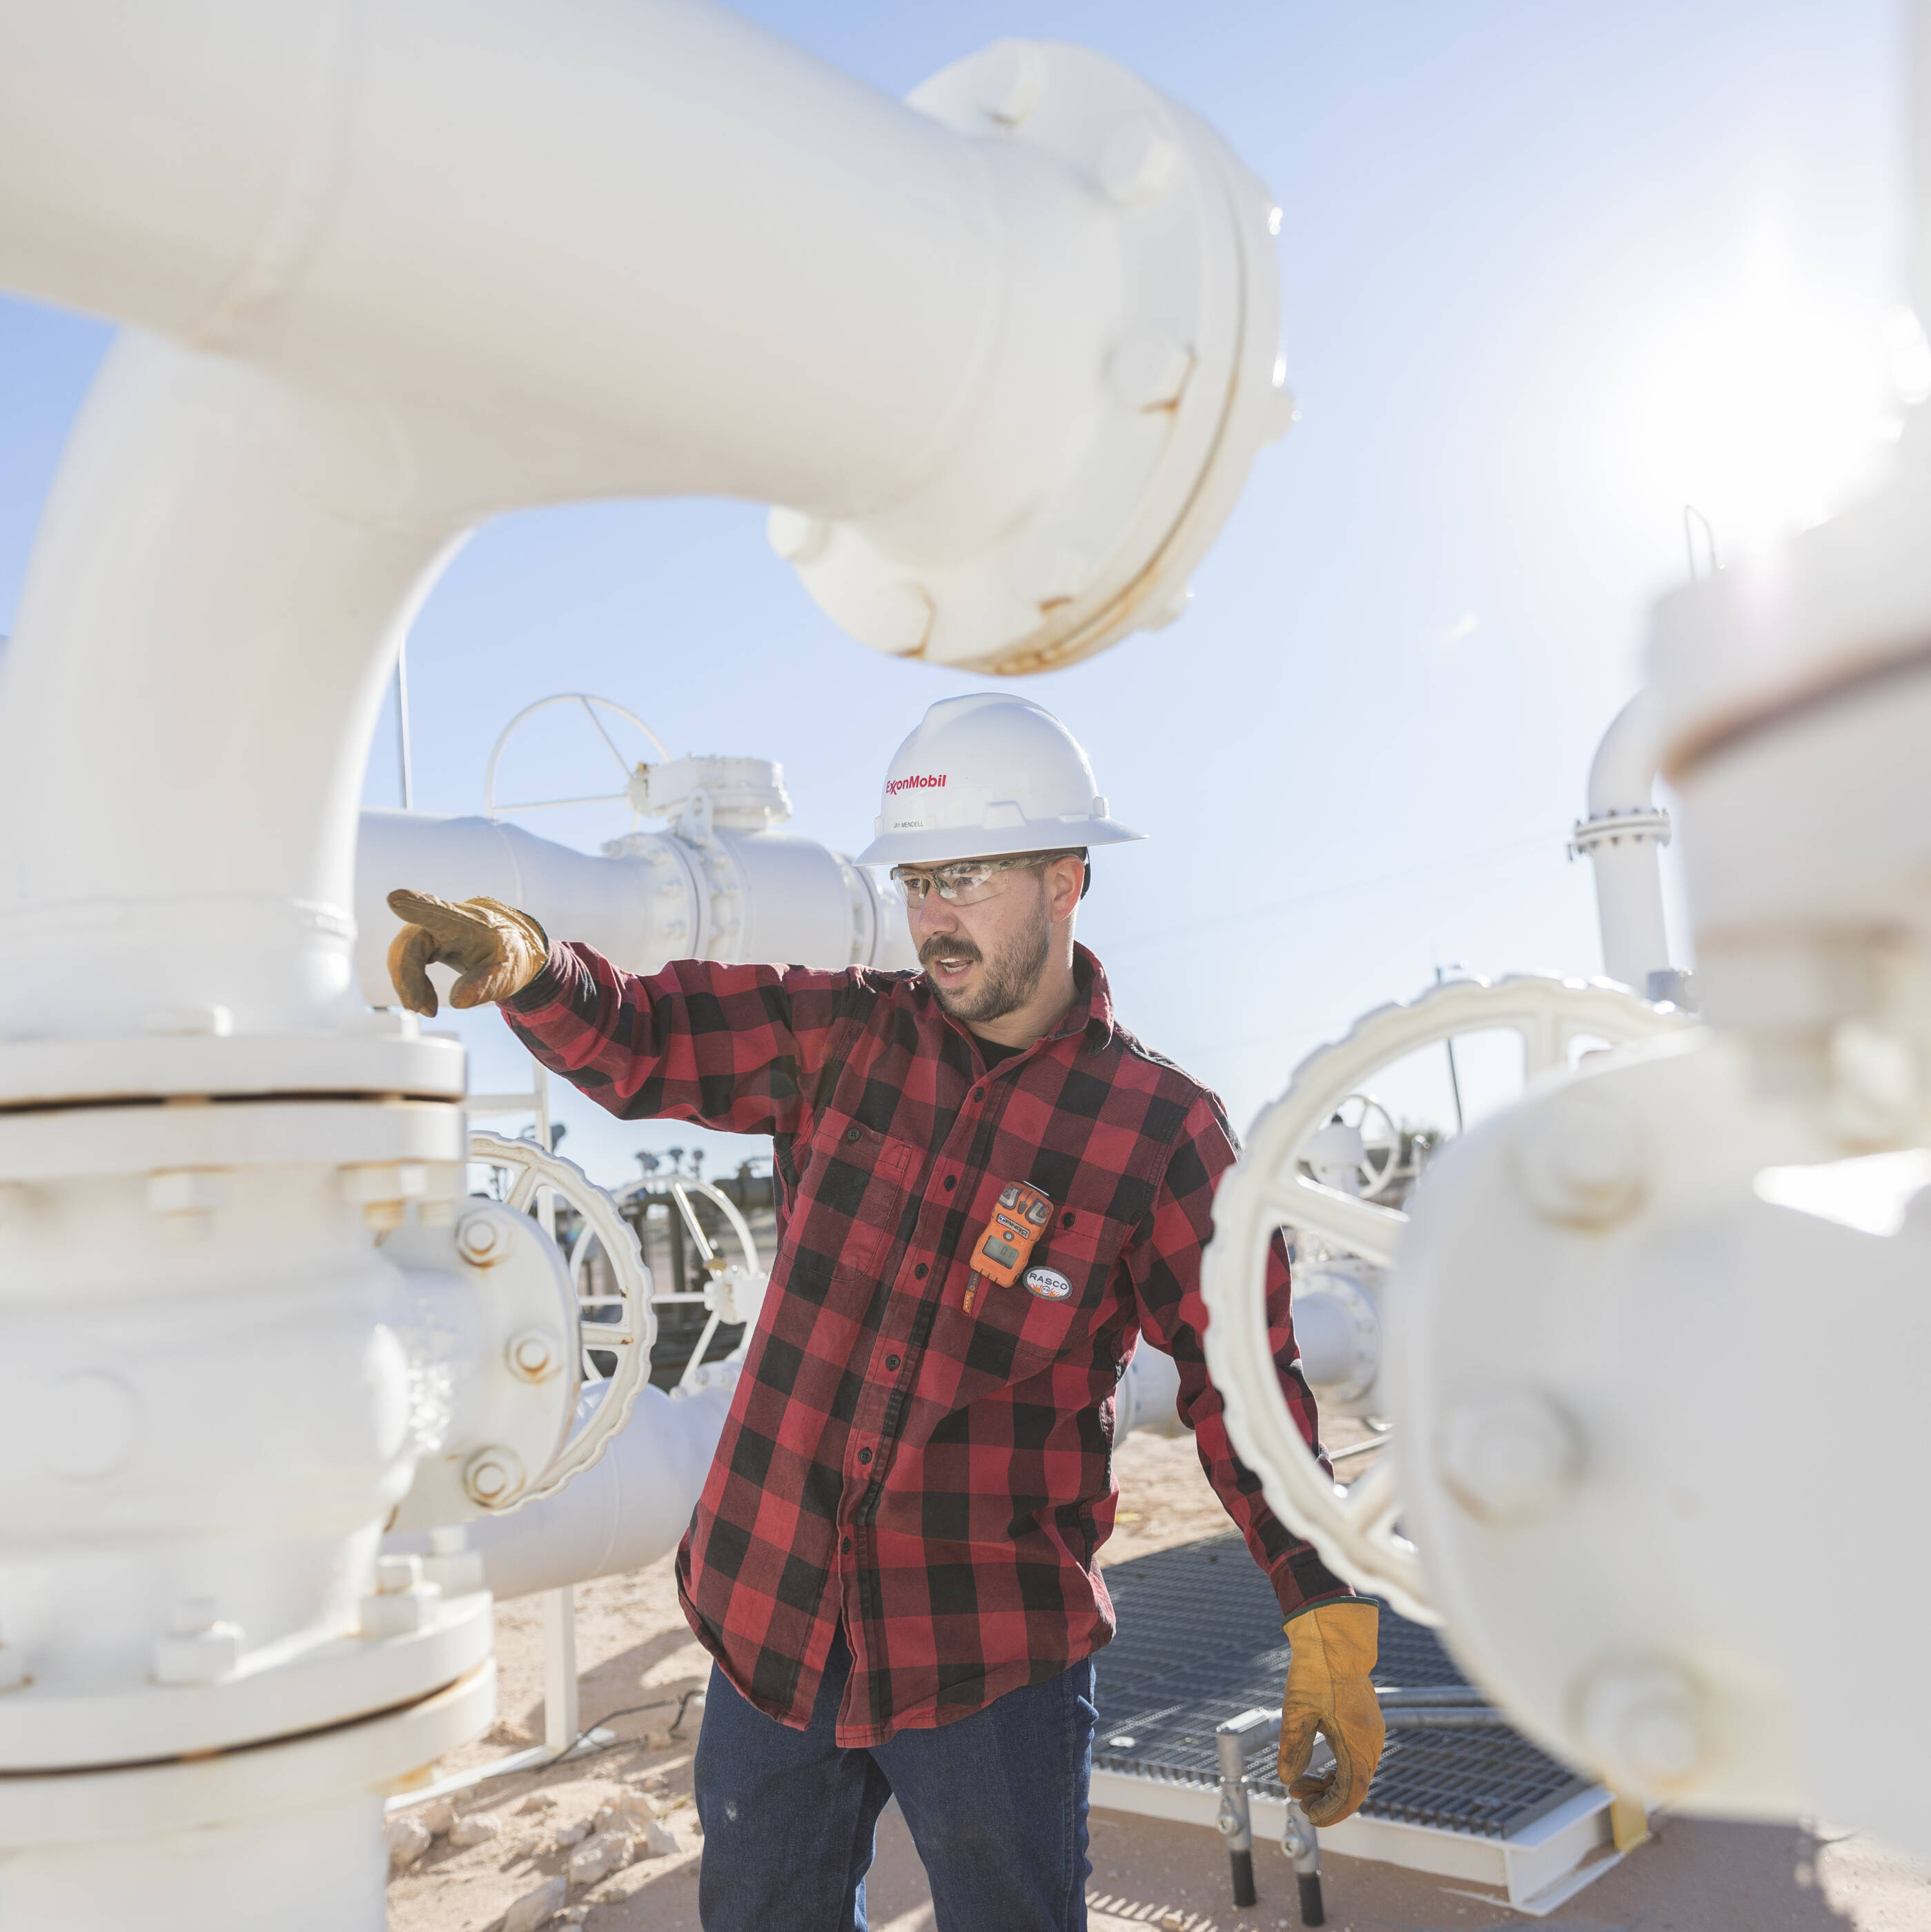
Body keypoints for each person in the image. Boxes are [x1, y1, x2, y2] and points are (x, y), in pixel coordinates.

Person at [385, 692, 1384, 1932]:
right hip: (772, 1624)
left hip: (985, 1659)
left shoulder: (1160, 1133)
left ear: (1066, 881)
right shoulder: (844, 1034)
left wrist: (1320, 1603)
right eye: (916, 880)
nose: (931, 919)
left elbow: (1246, 1381)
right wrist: (533, 966)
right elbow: (647, 1035)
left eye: (963, 877)